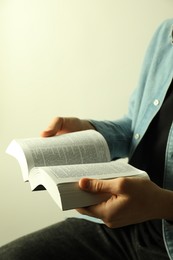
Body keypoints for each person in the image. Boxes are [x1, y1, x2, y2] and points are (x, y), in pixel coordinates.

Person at [1, 18, 173, 260]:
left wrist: (163, 205)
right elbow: (135, 127)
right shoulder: (166, 33)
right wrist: (90, 130)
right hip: (124, 227)